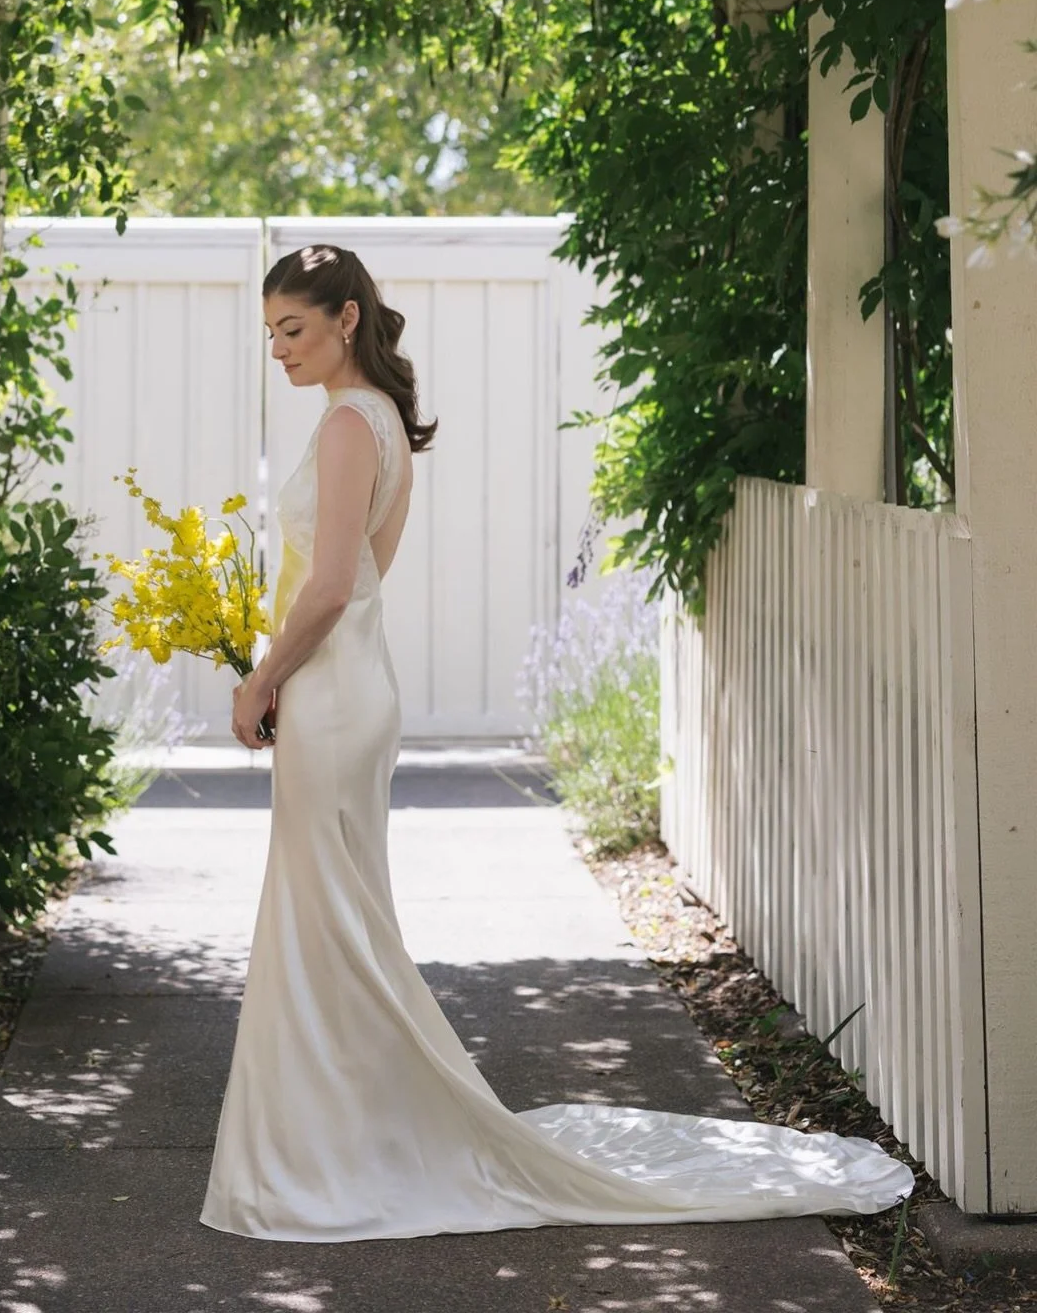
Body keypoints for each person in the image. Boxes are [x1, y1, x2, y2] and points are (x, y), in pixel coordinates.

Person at [200, 241, 913, 1242]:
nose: (278, 350)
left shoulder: (348, 430)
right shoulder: (371, 421)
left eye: (294, 329)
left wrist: (262, 675)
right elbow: (364, 579)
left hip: (331, 693)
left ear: (346, 320)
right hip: (351, 688)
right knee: (334, 921)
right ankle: (350, 1135)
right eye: (270, 332)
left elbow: (330, 587)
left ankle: (343, 1148)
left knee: (333, 924)